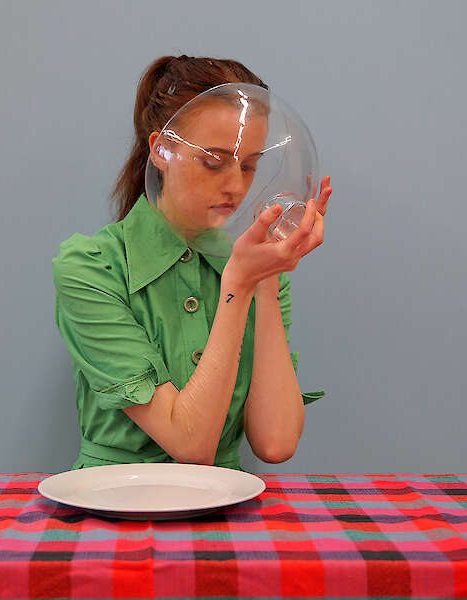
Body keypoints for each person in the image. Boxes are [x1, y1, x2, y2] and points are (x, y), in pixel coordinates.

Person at [52, 55, 332, 471]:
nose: (236, 185)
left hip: (223, 517)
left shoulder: (253, 266)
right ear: (160, 150)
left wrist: (266, 283)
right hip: (112, 512)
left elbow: (276, 443)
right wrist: (238, 286)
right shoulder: (92, 267)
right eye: (214, 162)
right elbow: (191, 445)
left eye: (250, 165)